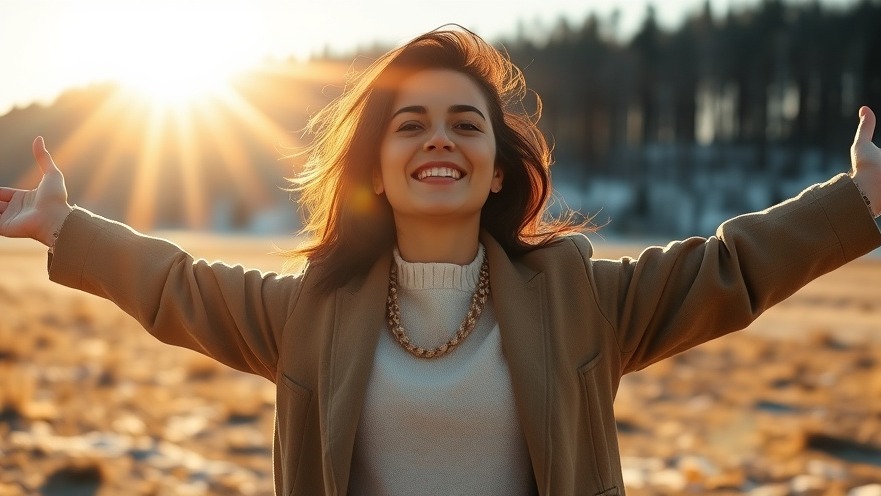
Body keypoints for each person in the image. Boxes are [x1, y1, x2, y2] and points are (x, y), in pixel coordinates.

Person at [1, 27, 880, 495]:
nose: (438, 141)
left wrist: (856, 203)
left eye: (465, 124)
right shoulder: (310, 311)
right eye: (409, 125)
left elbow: (731, 269)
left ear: (497, 167)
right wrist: (65, 228)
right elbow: (177, 288)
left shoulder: (579, 296)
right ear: (377, 170)